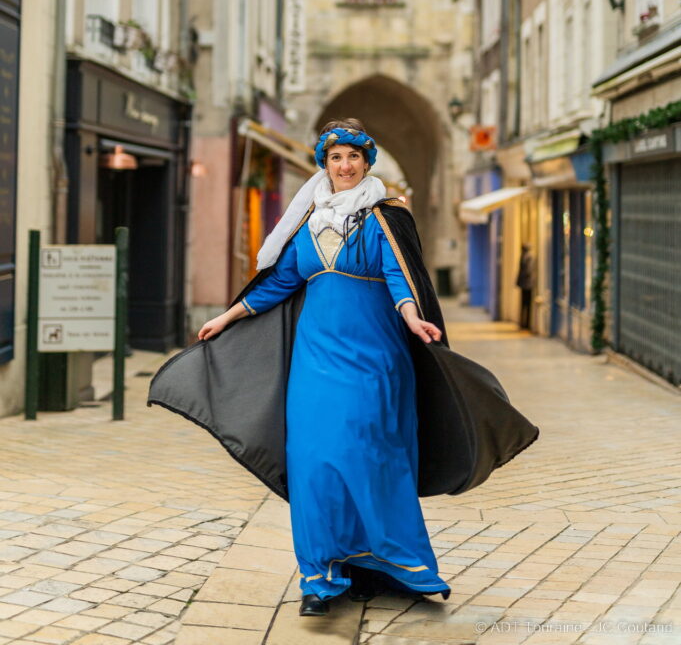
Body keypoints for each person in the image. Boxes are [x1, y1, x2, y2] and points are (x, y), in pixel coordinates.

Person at [148, 119, 540, 618]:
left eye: (354, 157)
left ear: (366, 162)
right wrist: (225, 317)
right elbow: (278, 282)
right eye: (336, 158)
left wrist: (414, 318)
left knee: (372, 455)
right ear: (325, 164)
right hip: (314, 361)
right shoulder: (308, 222)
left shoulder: (385, 217)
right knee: (314, 461)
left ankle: (396, 564)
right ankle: (320, 575)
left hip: (375, 358)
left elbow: (402, 277)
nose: (345, 165)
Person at [516, 243, 535, 330]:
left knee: (526, 304)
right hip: (524, 284)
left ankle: (526, 324)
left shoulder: (528, 257)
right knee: (524, 303)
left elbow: (528, 271)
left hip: (527, 284)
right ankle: (523, 323)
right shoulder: (524, 257)